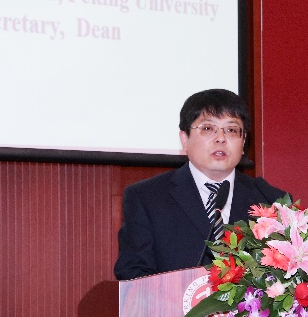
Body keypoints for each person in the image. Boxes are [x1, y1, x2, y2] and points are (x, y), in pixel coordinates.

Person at [113, 89, 288, 280]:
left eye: (231, 130)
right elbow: (132, 274)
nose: (221, 138)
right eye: (208, 128)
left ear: (244, 140)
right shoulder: (147, 197)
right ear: (184, 139)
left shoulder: (270, 201)